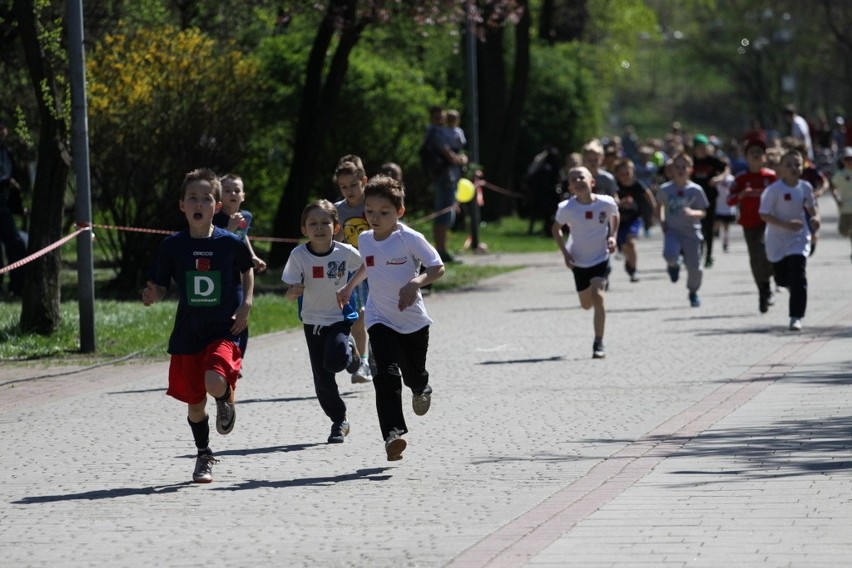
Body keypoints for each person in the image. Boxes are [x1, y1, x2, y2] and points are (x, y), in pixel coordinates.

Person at [142, 168, 254, 483]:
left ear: (217, 207)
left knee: (214, 380)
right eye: (193, 197)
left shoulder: (230, 242)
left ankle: (224, 397)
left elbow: (247, 270)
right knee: (194, 406)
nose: (199, 203)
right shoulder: (172, 245)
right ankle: (204, 453)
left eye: (206, 198)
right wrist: (153, 294)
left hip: (225, 327)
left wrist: (246, 303)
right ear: (182, 205)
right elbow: (162, 285)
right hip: (188, 333)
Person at [336, 175, 445, 461]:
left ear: (399, 212)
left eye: (383, 212)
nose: (375, 217)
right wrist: (348, 287)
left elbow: (437, 267)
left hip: (412, 321)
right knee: (384, 374)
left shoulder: (409, 238)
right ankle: (392, 435)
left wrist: (416, 283)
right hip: (379, 317)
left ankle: (421, 386)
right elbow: (367, 266)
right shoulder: (365, 239)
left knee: (413, 375)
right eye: (370, 211)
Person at [282, 200, 363, 443]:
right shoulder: (298, 255)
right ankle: (339, 421)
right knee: (322, 377)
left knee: (335, 361)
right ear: (304, 229)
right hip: (312, 321)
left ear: (336, 227)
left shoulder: (345, 252)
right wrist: (293, 293)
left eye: (325, 222)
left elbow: (367, 266)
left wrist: (351, 286)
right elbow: (288, 291)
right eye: (313, 224)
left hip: (338, 317)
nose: (319, 228)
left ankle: (349, 347)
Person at [552, 166, 619, 358]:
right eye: (573, 180)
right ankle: (588, 298)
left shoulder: (606, 203)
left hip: (601, 257)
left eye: (581, 177)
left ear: (592, 182)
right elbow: (556, 229)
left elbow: (615, 215)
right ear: (570, 187)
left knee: (598, 296)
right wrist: (565, 253)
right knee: (586, 305)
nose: (578, 181)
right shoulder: (566, 208)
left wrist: (613, 236)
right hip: (579, 261)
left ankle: (598, 342)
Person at [759, 150, 819, 331]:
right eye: (789, 165)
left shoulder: (806, 187)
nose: (794, 168)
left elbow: (813, 209)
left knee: (798, 274)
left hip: (798, 237)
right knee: (783, 279)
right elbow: (764, 215)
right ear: (780, 169)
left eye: (798, 164)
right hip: (777, 240)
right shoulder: (773, 190)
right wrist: (786, 224)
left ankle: (796, 316)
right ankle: (786, 285)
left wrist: (816, 219)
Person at [333, 158, 373, 383]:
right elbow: (335, 242)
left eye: (353, 185)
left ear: (364, 181)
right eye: (343, 187)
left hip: (377, 267)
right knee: (359, 317)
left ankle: (377, 356)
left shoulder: (372, 205)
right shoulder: (338, 210)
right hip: (353, 270)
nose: (349, 191)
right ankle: (363, 363)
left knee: (379, 317)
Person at [728, 138, 778, 312]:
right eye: (752, 153)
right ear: (746, 157)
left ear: (764, 157)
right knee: (756, 259)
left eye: (759, 153)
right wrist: (741, 195)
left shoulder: (771, 177)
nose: (756, 155)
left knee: (768, 253)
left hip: (769, 223)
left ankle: (771, 279)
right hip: (749, 224)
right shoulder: (741, 178)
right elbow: (729, 200)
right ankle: (763, 291)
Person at [656, 152, 709, 308]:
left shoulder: (696, 190)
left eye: (684, 167)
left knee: (695, 268)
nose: (680, 170)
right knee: (669, 254)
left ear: (690, 170)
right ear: (671, 170)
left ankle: (693, 292)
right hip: (672, 230)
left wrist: (693, 213)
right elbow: (659, 206)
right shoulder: (665, 189)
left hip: (691, 232)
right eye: (677, 167)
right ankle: (673, 266)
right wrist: (662, 221)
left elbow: (703, 211)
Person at [421, 105, 468, 262]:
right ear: (432, 118)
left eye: (442, 117)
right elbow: (451, 156)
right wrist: (462, 159)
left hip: (443, 177)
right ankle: (441, 251)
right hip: (444, 178)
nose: (440, 120)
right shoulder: (436, 133)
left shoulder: (436, 132)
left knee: (445, 213)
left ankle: (442, 249)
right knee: (444, 214)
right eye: (437, 117)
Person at [213, 174, 267, 273]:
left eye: (237, 191)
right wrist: (230, 227)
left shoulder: (247, 216)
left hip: (238, 265)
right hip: (219, 265)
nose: (233, 193)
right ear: (219, 195)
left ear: (243, 196)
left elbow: (243, 235)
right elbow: (213, 243)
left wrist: (253, 256)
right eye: (227, 190)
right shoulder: (213, 217)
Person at [690, 134, 729, 268]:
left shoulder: (712, 160)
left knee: (708, 227)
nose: (703, 150)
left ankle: (708, 255)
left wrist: (718, 178)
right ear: (694, 148)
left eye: (704, 147)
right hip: (693, 199)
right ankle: (697, 252)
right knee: (696, 227)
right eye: (700, 147)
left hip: (710, 198)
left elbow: (726, 169)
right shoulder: (691, 161)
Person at [613, 158, 654, 282]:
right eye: (622, 174)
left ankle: (633, 271)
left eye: (628, 173)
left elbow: (648, 194)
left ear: (633, 172)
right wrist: (620, 203)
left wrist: (654, 208)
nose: (625, 176)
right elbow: (613, 198)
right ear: (617, 174)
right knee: (624, 247)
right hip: (618, 221)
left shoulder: (637, 184)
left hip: (634, 219)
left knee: (631, 243)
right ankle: (628, 261)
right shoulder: (615, 185)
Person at [0, 119, 27, 296]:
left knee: (17, 244)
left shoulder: (7, 153)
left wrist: (19, 208)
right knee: (16, 243)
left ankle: (17, 286)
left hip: (4, 206)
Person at [830, 147, 852, 262]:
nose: (849, 161)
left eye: (851, 159)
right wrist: (837, 199)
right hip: (845, 208)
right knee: (843, 230)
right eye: (847, 159)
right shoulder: (840, 174)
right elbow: (833, 186)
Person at [714, 170, 737, 252]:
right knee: (716, 224)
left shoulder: (731, 179)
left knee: (726, 226)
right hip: (718, 205)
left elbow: (734, 191)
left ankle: (725, 242)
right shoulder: (716, 178)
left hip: (728, 206)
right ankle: (714, 234)